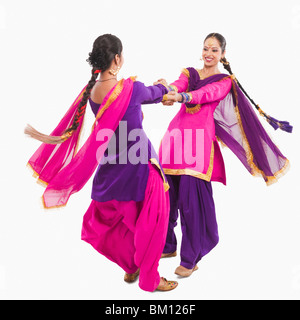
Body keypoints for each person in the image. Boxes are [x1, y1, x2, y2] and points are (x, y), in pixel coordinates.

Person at [25, 34, 178, 292]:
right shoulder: (131, 89)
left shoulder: (93, 91)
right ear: (117, 58)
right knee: (153, 220)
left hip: (112, 170)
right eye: (122, 55)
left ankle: (132, 267)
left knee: (125, 219)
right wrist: (166, 87)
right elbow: (155, 93)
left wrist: (162, 91)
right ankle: (149, 279)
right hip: (139, 167)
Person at [156, 32, 292, 277]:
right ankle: (167, 245)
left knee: (191, 203)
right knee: (165, 196)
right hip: (174, 139)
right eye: (206, 48)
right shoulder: (190, 73)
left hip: (198, 145)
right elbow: (178, 85)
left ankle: (190, 258)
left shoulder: (225, 81)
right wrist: (167, 89)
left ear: (222, 54)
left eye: (214, 50)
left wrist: (181, 97)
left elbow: (206, 95)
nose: (209, 54)